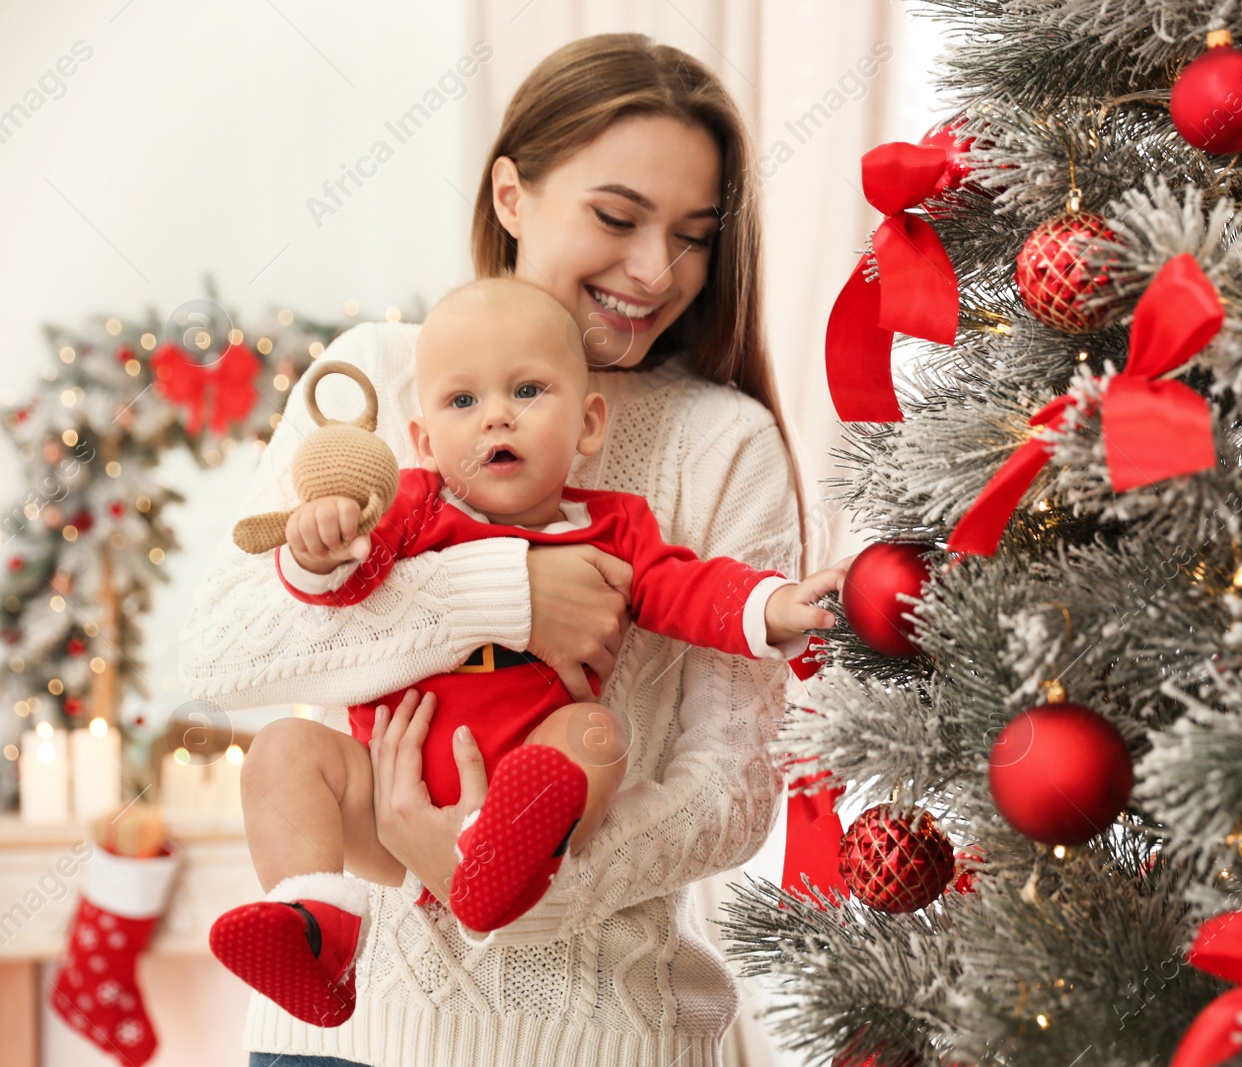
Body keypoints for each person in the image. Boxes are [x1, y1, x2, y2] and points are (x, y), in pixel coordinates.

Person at [180, 32, 810, 1067]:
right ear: (511, 195)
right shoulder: (384, 378)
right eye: (616, 217)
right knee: (290, 758)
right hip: (344, 1032)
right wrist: (506, 592)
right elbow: (230, 653)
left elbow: (733, 789)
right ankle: (312, 924)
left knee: (589, 749)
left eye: (694, 234)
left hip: (599, 1033)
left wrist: (501, 875)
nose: (656, 269)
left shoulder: (722, 437)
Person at [208, 279, 842, 1028]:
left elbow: (684, 587)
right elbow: (341, 591)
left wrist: (770, 606)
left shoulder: (614, 527)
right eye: (463, 402)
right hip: (383, 794)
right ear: (423, 442)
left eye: (529, 390)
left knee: (597, 736)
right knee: (281, 751)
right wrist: (318, 549)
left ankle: (506, 854)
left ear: (588, 424)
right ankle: (316, 926)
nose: (497, 416)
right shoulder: (415, 509)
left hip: (522, 772)